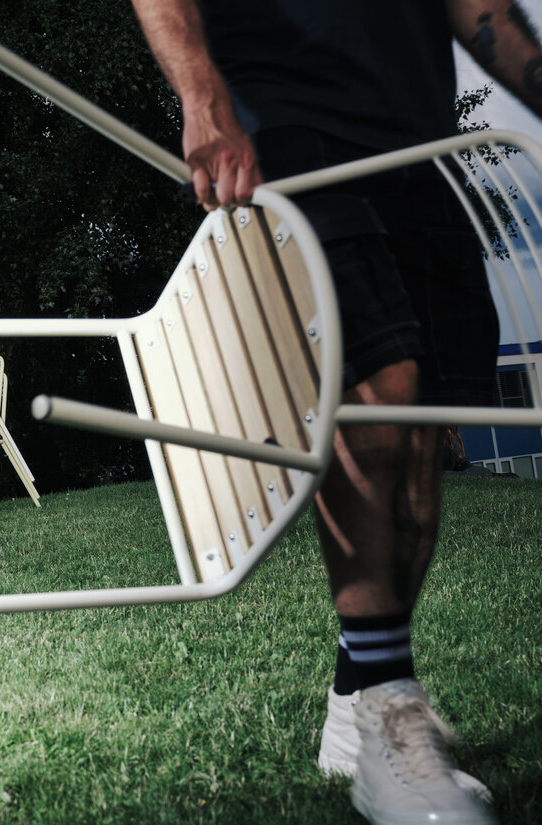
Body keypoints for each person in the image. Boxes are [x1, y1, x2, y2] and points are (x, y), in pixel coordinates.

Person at [129, 1, 542, 824]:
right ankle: (391, 722)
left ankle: (360, 693)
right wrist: (201, 94)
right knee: (374, 394)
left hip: (417, 144)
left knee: (424, 436)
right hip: (284, 125)